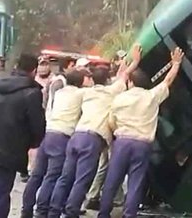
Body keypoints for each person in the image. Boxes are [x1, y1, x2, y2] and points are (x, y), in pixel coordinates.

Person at [47, 44, 142, 218]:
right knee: (82, 180)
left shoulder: (86, 93)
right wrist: (134, 60)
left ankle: (53, 211)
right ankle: (71, 212)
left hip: (76, 136)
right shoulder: (112, 91)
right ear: (108, 80)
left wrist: (125, 63)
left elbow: (120, 75)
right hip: (92, 140)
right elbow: (124, 75)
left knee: (65, 177)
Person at [98, 47, 184, 218]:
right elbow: (167, 81)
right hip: (142, 145)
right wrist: (176, 64)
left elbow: (111, 122)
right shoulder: (151, 96)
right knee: (135, 182)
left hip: (122, 142)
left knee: (112, 180)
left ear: (131, 83)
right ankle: (129, 214)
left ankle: (104, 213)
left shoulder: (120, 98)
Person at [0, 53, 46, 218]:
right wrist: (32, 143)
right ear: (34, 70)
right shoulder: (32, 93)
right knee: (1, 193)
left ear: (16, 66)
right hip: (9, 149)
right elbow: (37, 125)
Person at [21, 69, 90, 218]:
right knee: (52, 176)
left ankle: (26, 209)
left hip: (49, 133)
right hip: (63, 137)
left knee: (37, 174)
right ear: (81, 82)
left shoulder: (60, 93)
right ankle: (42, 211)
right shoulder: (81, 94)